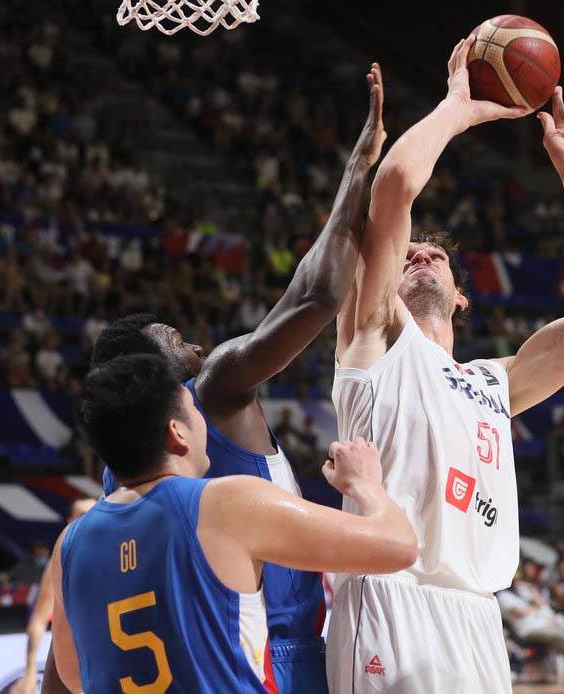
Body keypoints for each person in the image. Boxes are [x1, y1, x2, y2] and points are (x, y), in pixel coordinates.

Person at [43, 64, 387, 694]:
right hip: (270, 651)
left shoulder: (118, 482)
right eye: (163, 334)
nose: (181, 334)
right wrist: (358, 172)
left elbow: (63, 674)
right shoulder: (219, 384)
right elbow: (317, 294)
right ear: (154, 384)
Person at [328, 38, 564, 692]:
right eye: (407, 253)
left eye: (433, 256)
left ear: (462, 297)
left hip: (477, 616)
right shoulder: (374, 338)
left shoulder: (493, 382)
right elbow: (396, 185)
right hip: (392, 599)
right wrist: (459, 105)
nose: (417, 256)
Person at [48, 354, 417, 693]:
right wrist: (366, 485)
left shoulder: (70, 544)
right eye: (195, 409)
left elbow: (74, 671)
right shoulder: (223, 503)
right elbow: (397, 546)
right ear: (177, 432)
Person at [10, 497, 99, 694]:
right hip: (73, 665)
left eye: (93, 514)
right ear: (70, 520)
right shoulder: (61, 561)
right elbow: (38, 622)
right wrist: (30, 671)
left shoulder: (110, 552)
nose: (89, 520)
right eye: (83, 515)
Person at [496, 564, 564, 679]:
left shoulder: (523, 591)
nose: (516, 580)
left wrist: (532, 590)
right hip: (529, 631)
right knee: (563, 637)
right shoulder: (502, 596)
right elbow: (520, 612)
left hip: (545, 625)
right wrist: (535, 606)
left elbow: (541, 603)